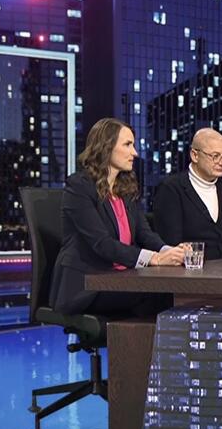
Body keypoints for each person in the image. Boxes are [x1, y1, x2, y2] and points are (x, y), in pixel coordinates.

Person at [50, 118, 187, 316]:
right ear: (106, 146)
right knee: (160, 296)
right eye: (127, 145)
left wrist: (170, 251)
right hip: (88, 285)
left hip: (122, 277)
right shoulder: (79, 186)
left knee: (170, 291)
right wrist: (155, 259)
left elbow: (144, 234)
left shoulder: (124, 189)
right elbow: (102, 243)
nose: (135, 153)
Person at [152, 128, 222, 260]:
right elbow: (170, 246)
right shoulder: (171, 189)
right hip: (192, 270)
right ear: (195, 155)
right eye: (215, 156)